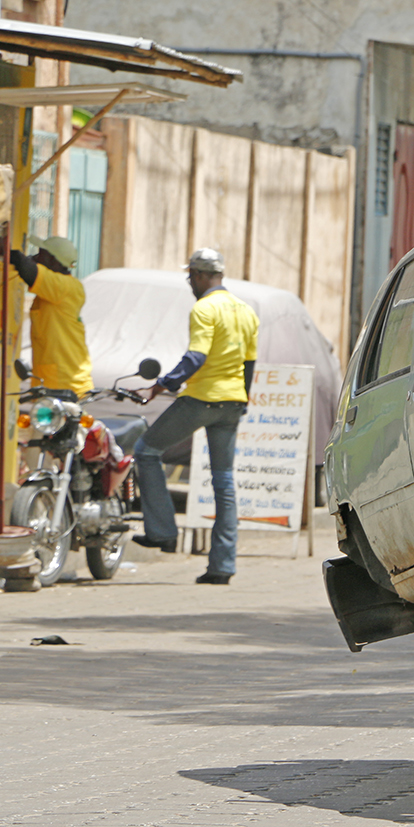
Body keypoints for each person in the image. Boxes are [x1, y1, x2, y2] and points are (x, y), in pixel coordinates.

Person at [132, 248, 259, 585]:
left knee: (146, 451)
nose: (190, 282)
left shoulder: (204, 308)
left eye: (191, 276)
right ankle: (222, 566)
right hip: (232, 403)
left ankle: (161, 531)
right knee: (224, 483)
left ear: (202, 276)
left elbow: (195, 357)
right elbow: (249, 364)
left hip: (201, 398)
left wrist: (161, 385)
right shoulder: (246, 311)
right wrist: (242, 400)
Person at [0, 232, 92, 399]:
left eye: (41, 254)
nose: (35, 257)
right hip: (50, 382)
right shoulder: (54, 289)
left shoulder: (64, 286)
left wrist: (4, 251)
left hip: (66, 383)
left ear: (54, 261)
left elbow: (27, 268)